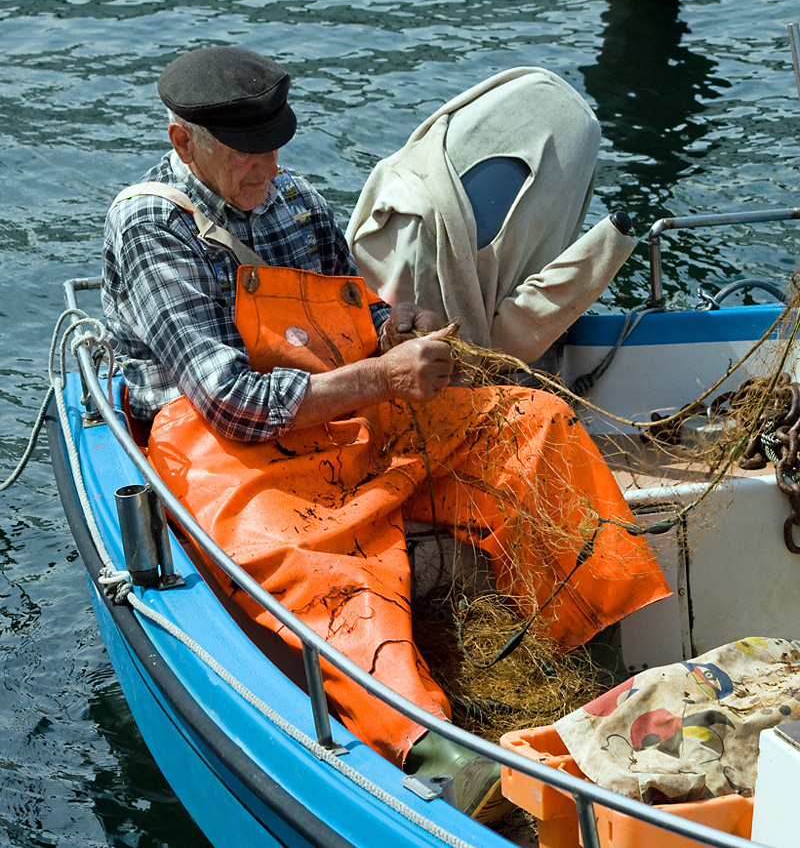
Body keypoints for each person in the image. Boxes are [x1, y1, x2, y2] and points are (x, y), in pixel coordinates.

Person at [103, 46, 670, 824]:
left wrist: (395, 325)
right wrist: (385, 376)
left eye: (276, 143)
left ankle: (594, 659)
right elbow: (228, 400)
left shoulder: (293, 201)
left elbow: (354, 317)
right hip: (228, 453)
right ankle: (442, 758)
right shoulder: (151, 224)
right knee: (331, 572)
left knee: (534, 425)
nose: (268, 164)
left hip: (342, 416)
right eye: (246, 152)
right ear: (183, 144)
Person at [346, 67, 636, 366]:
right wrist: (603, 256)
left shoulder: (396, 184)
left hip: (356, 314)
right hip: (449, 354)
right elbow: (515, 335)